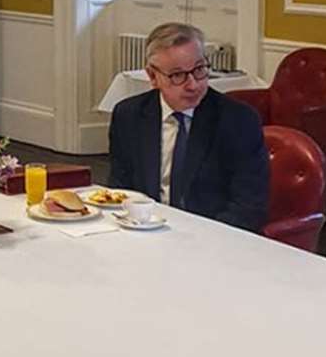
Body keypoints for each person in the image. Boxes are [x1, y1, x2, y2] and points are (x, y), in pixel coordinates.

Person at [109, 22, 269, 231]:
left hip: (213, 238)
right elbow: (121, 190)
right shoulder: (129, 115)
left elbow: (249, 206)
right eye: (177, 75)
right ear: (153, 76)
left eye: (199, 69)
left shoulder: (238, 120)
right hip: (144, 232)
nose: (193, 84)